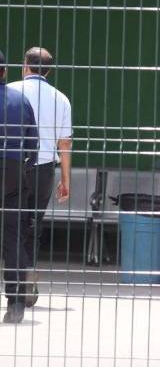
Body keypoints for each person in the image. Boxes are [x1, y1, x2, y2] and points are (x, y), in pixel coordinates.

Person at [8, 47, 71, 309]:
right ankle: (27, 275)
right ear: (49, 70)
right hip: (44, 168)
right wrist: (65, 179)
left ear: (25, 66)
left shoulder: (11, 91)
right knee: (33, 224)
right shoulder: (61, 99)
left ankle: (16, 277)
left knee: (10, 224)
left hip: (10, 166)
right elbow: (64, 143)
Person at [0, 49, 39, 324]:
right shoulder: (20, 99)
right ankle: (15, 303)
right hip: (13, 172)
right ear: (4, 71)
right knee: (14, 236)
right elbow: (33, 143)